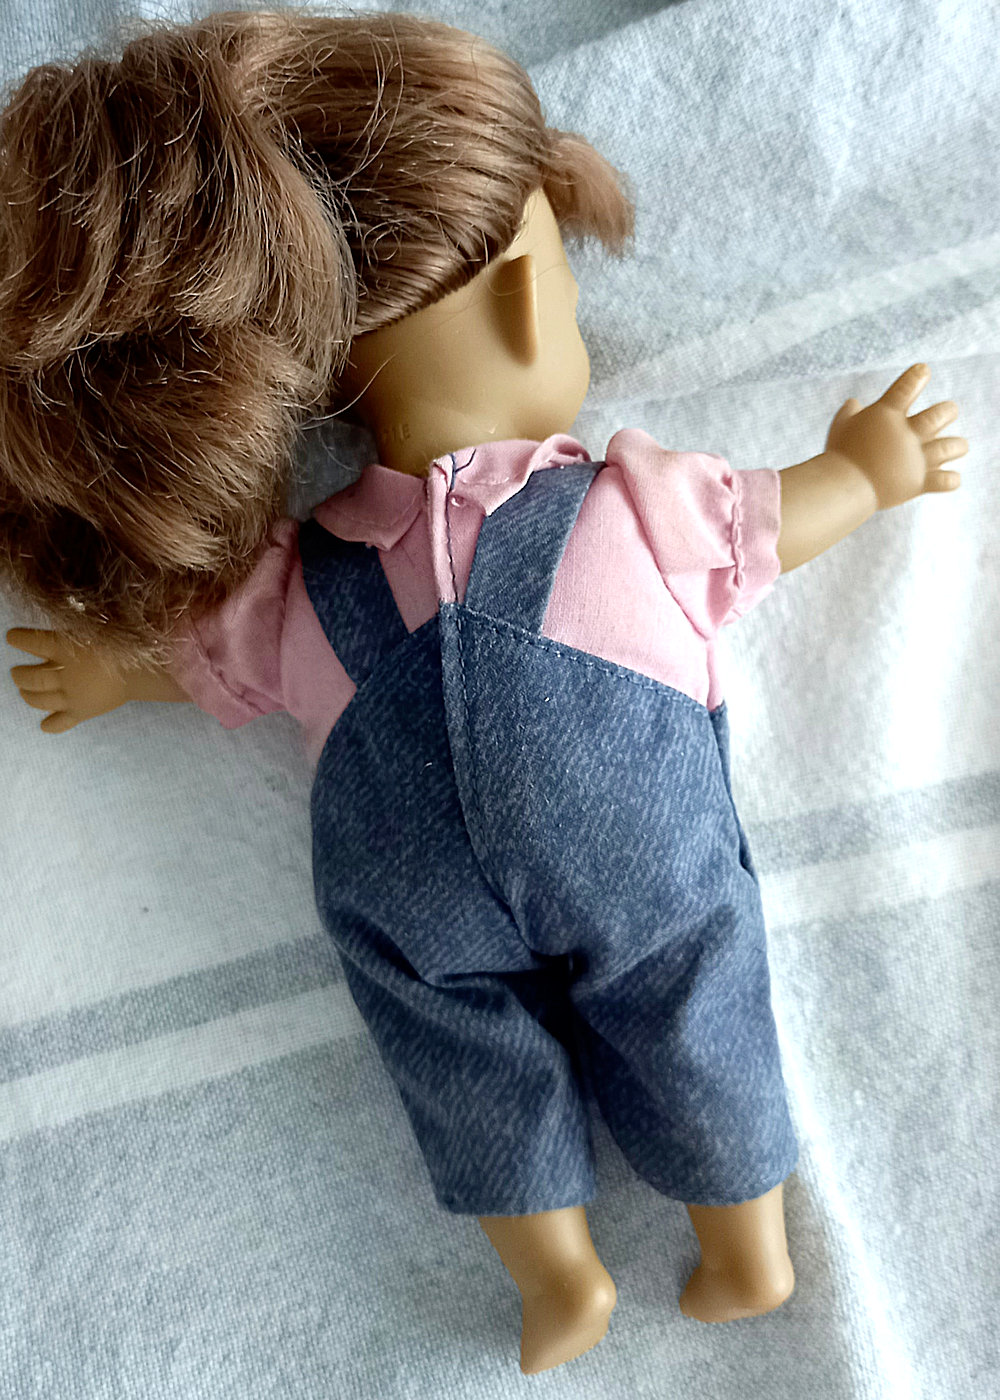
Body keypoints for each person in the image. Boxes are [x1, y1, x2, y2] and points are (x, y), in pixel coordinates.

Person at [1, 11, 966, 1375]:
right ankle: (735, 1240)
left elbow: (210, 654)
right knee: (688, 983)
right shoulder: (633, 504)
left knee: (456, 1042)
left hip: (402, 872)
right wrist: (866, 470)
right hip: (625, 839)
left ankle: (561, 1272)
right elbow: (769, 523)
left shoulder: (308, 572)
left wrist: (115, 670)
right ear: (527, 293)